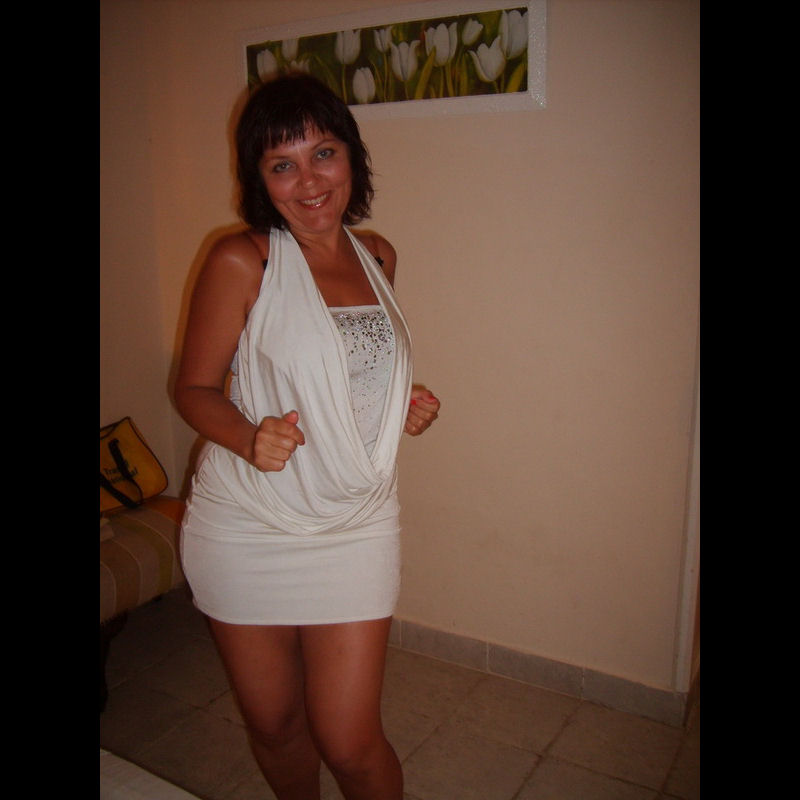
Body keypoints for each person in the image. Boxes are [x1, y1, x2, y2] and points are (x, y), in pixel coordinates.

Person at [174, 73, 440, 800]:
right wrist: (247, 436)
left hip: (354, 522)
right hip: (247, 523)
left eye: (323, 152)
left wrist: (399, 400)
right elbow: (192, 388)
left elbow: (344, 367)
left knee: (351, 742)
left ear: (351, 155)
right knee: (275, 724)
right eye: (282, 164)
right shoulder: (244, 260)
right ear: (259, 179)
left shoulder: (378, 256)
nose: (310, 181)